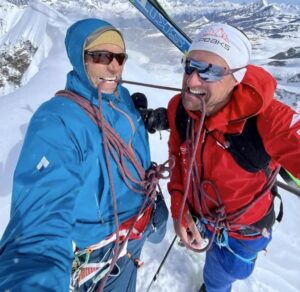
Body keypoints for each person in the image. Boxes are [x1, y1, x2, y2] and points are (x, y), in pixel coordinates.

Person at [0, 18, 169, 292]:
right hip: (103, 253)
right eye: (101, 56)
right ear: (81, 58)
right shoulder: (56, 122)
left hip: (140, 221)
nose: (113, 65)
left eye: (119, 57)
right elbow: (38, 226)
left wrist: (147, 120)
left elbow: (114, 127)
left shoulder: (120, 96)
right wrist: (31, 279)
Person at [167, 23, 300, 292]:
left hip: (244, 231)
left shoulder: (268, 118)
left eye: (210, 72)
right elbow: (176, 157)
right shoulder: (179, 109)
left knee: (218, 276)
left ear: (236, 77)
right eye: (190, 66)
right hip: (199, 212)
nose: (192, 81)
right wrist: (179, 209)